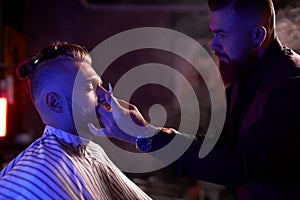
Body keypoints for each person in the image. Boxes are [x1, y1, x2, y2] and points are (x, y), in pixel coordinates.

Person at [92, 0, 300, 199]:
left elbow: (238, 165)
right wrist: (144, 131)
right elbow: (219, 149)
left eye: (222, 35)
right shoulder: (248, 74)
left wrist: (145, 136)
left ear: (257, 36)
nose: (214, 45)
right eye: (213, 34)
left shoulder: (291, 86)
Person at [0, 41, 151, 199]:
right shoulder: (33, 179)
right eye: (90, 87)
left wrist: (142, 132)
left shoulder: (94, 151)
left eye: (101, 85)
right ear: (55, 103)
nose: (106, 96)